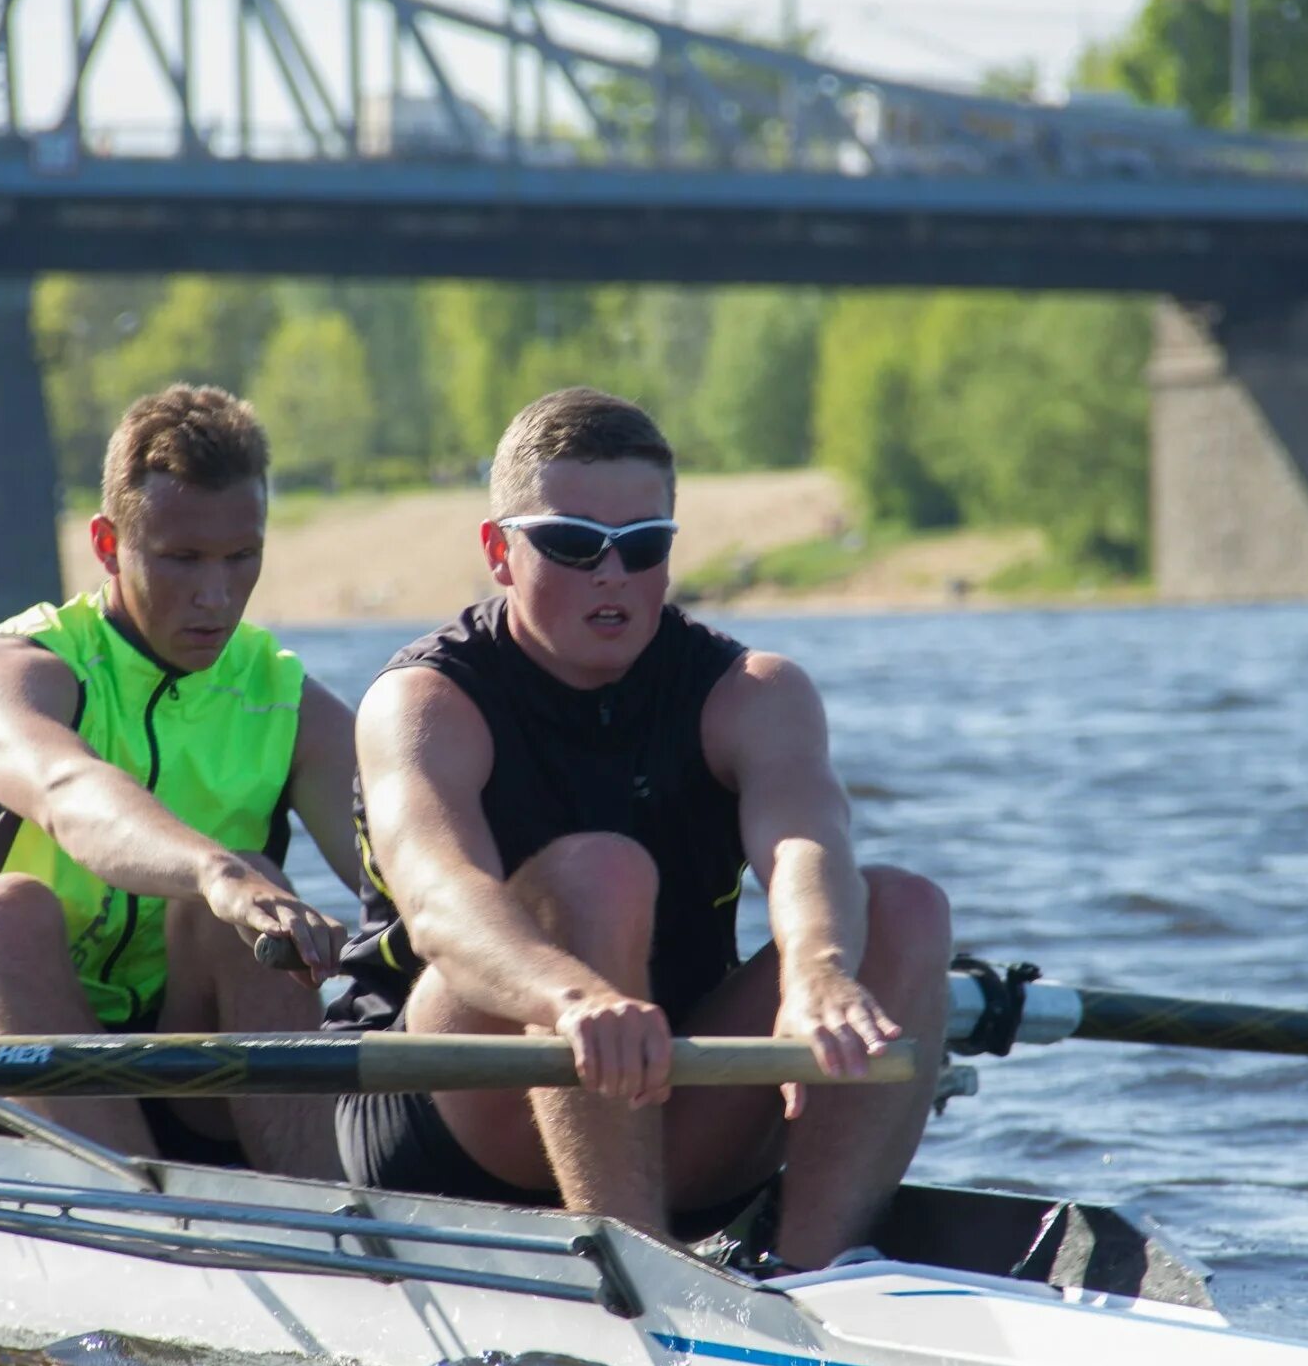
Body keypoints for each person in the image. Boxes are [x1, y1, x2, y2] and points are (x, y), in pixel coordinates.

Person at [327, 387, 952, 1268]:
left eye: (643, 545)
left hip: (661, 1089)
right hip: (448, 1111)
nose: (610, 574)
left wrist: (818, 974)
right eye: (574, 544)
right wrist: (570, 998)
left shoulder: (753, 695)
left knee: (904, 909)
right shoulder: (426, 701)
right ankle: (642, 1278)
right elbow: (441, 904)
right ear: (499, 552)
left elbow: (807, 844)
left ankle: (815, 1279)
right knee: (599, 872)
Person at [0, 384, 357, 1178]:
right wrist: (215, 870)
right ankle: (148, 1222)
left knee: (260, 908)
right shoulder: (14, 673)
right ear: (107, 544)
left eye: (243, 557)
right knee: (7, 912)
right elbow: (68, 795)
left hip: (180, 1063)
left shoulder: (284, 697)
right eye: (182, 559)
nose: (216, 595)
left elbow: (408, 873)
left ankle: (337, 1223)